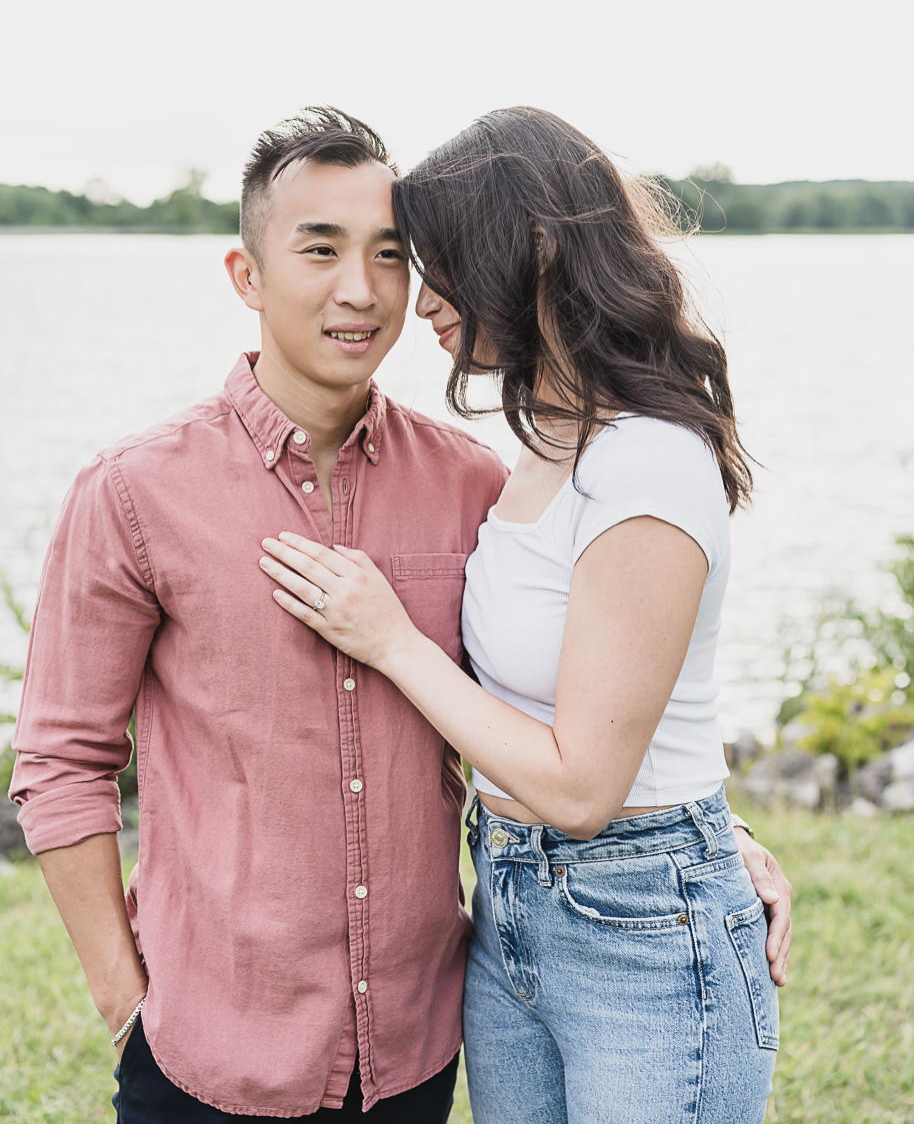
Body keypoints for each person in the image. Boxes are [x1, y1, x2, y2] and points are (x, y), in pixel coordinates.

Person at [10, 106, 788, 1123]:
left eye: (393, 253)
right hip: (211, 1047)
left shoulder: (477, 483)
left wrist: (703, 837)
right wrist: (126, 1005)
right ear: (246, 276)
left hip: (418, 1044)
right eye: (320, 249)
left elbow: (565, 694)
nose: (368, 291)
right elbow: (60, 762)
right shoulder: (131, 494)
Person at [258, 107, 786, 1124]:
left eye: (438, 261)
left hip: (640, 928)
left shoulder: (646, 463)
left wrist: (390, 643)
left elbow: (585, 788)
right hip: (509, 904)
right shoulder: (546, 444)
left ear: (532, 249)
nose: (419, 305)